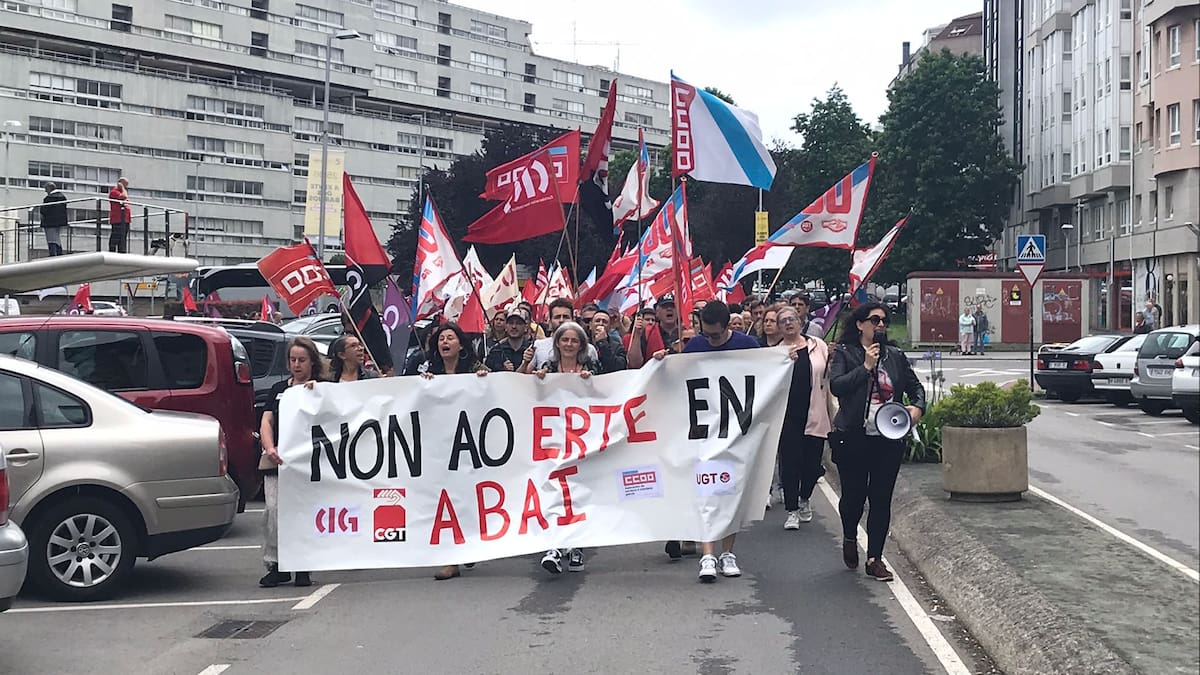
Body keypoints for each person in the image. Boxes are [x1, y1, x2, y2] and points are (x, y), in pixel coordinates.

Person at [656, 301, 760, 582]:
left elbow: (767, 376)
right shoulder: (696, 347)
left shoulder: (748, 346)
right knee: (706, 492)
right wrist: (662, 363)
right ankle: (707, 554)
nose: (710, 339)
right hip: (702, 433)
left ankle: (728, 553)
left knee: (730, 494)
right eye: (706, 334)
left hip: (736, 433)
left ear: (728, 326)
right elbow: (677, 381)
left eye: (715, 335)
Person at [829, 302, 926, 582]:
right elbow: (838, 386)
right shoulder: (846, 354)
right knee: (853, 498)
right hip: (853, 436)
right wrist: (866, 366)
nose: (880, 324)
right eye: (874, 320)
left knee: (881, 499)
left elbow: (915, 387)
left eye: (884, 320)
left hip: (888, 438)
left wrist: (917, 407)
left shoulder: (895, 355)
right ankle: (849, 535)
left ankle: (875, 558)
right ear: (860, 325)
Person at [418, 322, 489, 580]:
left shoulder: (475, 369)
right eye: (441, 339)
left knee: (469, 499)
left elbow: (495, 396)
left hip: (471, 447)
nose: (444, 342)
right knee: (446, 500)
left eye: (450, 338)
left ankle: (469, 547)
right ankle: (453, 558)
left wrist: (485, 382)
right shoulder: (429, 372)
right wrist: (422, 386)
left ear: (461, 344)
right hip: (440, 447)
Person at [258, 336, 326, 588]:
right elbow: (266, 421)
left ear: (312, 362)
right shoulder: (278, 389)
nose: (296, 365)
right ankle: (275, 564)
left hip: (307, 463)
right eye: (292, 360)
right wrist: (269, 447)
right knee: (273, 511)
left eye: (302, 360)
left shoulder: (322, 388)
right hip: (278, 461)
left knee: (303, 513)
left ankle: (302, 566)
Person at [533, 321, 600, 575]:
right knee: (553, 489)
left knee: (578, 492)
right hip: (553, 438)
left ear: (581, 345)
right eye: (564, 340)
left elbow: (608, 392)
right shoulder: (547, 368)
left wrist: (591, 382)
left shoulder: (591, 367)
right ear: (557, 343)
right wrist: (537, 381)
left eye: (574, 341)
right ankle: (554, 545)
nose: (569, 345)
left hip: (583, 439)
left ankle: (577, 545)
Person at [775, 306, 832, 530]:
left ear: (800, 322)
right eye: (783, 321)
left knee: (812, 465)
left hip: (815, 411)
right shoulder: (775, 352)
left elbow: (828, 377)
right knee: (789, 464)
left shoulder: (818, 346)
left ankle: (804, 498)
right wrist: (783, 361)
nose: (788, 323)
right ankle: (791, 510)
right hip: (787, 416)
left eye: (792, 319)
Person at [529, 298, 598, 370]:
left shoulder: (589, 349)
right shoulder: (537, 346)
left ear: (573, 319)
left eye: (565, 317)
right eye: (557, 317)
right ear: (550, 320)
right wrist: (526, 362)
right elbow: (523, 376)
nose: (561, 320)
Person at [626, 297, 681, 368]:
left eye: (673, 306)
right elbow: (634, 364)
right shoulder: (646, 333)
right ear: (657, 313)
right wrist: (637, 335)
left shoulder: (686, 332)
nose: (669, 309)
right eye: (664, 307)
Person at [485, 306, 534, 372]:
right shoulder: (496, 351)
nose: (514, 326)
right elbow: (488, 374)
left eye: (518, 323)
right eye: (511, 323)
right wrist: (502, 369)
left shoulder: (531, 350)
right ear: (506, 326)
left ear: (525, 327)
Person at [589, 308, 628, 372]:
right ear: (590, 325)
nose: (601, 324)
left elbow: (619, 367)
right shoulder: (582, 344)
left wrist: (602, 343)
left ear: (610, 327)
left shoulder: (617, 347)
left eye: (605, 322)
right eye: (597, 321)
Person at [40, 182, 67, 257]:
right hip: (59, 222)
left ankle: (53, 254)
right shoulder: (62, 197)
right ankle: (59, 254)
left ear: (49, 188)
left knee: (51, 239)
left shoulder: (49, 198)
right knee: (56, 239)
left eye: (46, 189)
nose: (45, 191)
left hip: (49, 222)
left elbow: (43, 210)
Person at [107, 177, 131, 253]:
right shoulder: (114, 192)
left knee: (123, 238)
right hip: (118, 219)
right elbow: (123, 197)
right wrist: (123, 189)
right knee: (115, 236)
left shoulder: (122, 191)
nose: (126, 187)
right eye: (125, 185)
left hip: (125, 219)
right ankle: (112, 252)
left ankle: (122, 251)